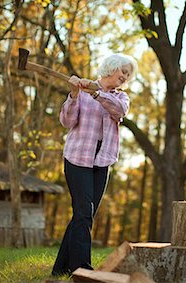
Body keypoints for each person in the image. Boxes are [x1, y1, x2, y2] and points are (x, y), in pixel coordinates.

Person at [51, 53, 138, 276]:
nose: (125, 77)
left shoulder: (121, 98)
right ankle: (82, 270)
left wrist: (96, 93)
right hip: (78, 157)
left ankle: (60, 268)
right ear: (111, 68)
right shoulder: (80, 92)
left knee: (84, 215)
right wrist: (73, 94)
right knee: (83, 213)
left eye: (128, 74)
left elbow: (118, 111)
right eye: (123, 71)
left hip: (102, 161)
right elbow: (67, 122)